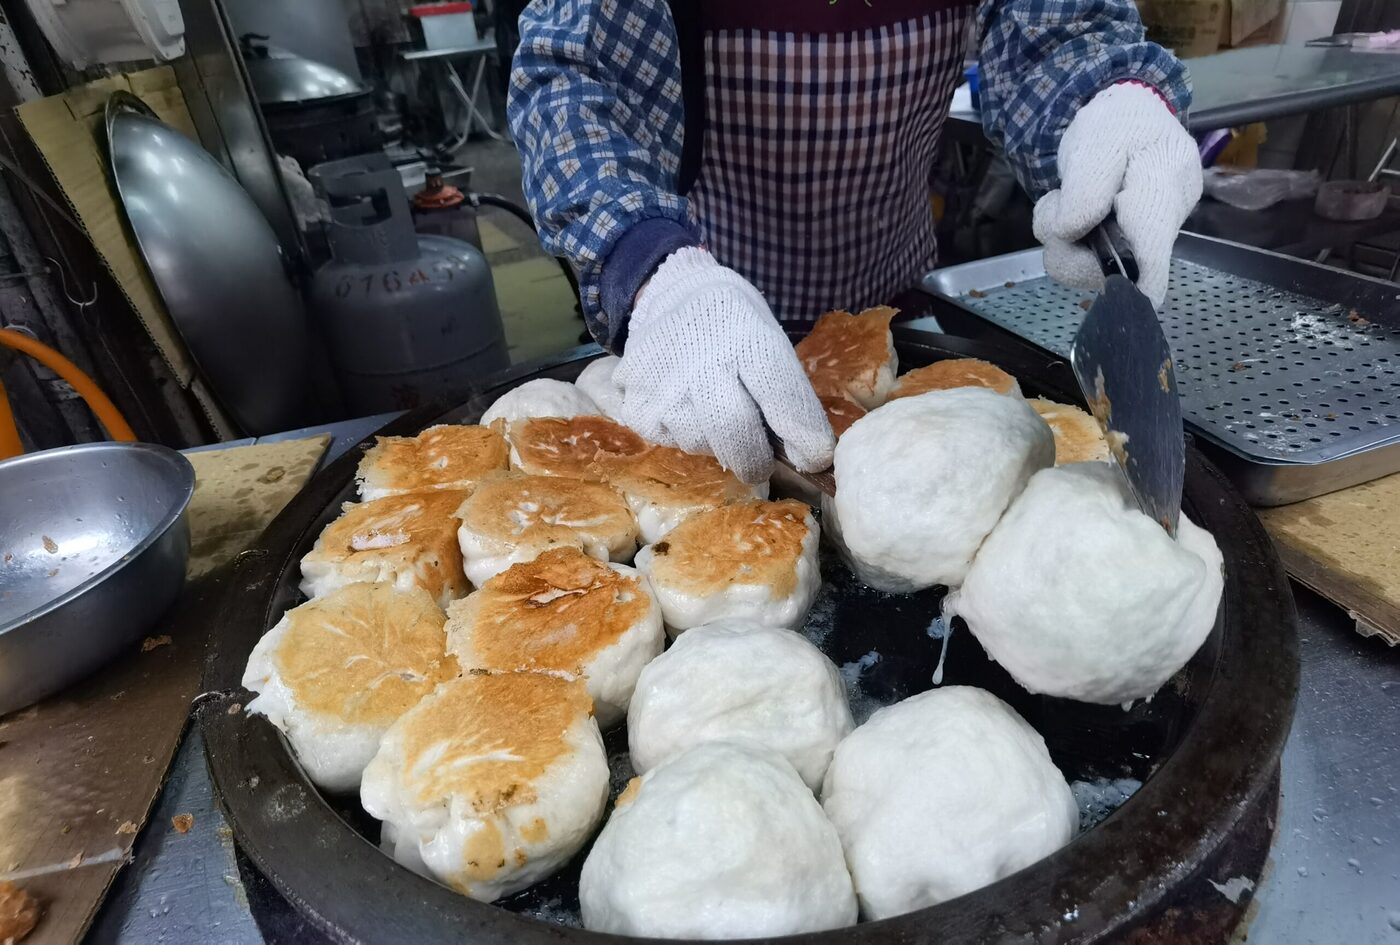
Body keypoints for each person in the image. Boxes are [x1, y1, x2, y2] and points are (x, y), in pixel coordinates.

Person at [507, 0, 1202, 483]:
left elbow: (1055, 27)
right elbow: (571, 76)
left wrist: (1107, 100)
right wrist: (647, 265)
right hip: (697, 327)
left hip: (897, 325)